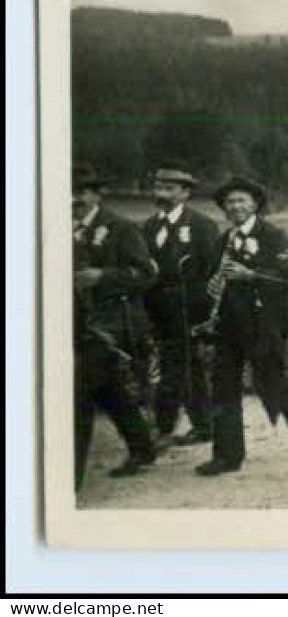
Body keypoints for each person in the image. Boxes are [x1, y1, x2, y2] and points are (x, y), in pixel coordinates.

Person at [195, 175, 288, 475]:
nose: (235, 207)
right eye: (229, 202)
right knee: (223, 387)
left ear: (255, 205)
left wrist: (252, 275)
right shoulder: (223, 241)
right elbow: (212, 278)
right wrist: (212, 286)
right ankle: (227, 456)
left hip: (266, 323)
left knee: (270, 378)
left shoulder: (273, 235)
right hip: (228, 325)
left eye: (241, 201)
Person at [72, 164, 160, 486]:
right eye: (66, 191)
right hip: (76, 323)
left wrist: (104, 276)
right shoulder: (56, 227)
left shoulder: (119, 228)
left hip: (114, 323)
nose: (71, 199)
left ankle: (68, 481)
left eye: (80, 192)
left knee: (77, 393)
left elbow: (148, 274)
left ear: (96, 194)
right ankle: (142, 448)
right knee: (108, 390)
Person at [140, 161, 220, 448]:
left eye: (169, 188)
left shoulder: (201, 225)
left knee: (176, 364)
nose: (162, 193)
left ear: (185, 193)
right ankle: (203, 424)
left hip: (189, 307)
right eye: (159, 187)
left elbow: (212, 271)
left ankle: (163, 428)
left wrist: (206, 315)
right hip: (159, 307)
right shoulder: (150, 226)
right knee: (185, 365)